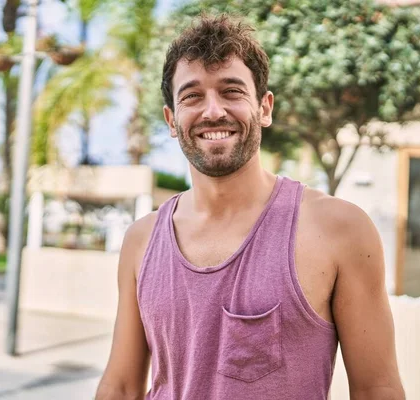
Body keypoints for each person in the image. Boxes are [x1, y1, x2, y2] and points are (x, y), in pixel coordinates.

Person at [96, 15, 404, 400]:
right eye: (192, 96)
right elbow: (122, 387)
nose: (212, 111)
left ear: (264, 107)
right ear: (172, 120)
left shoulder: (339, 229)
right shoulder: (141, 240)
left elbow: (377, 388)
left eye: (231, 91)